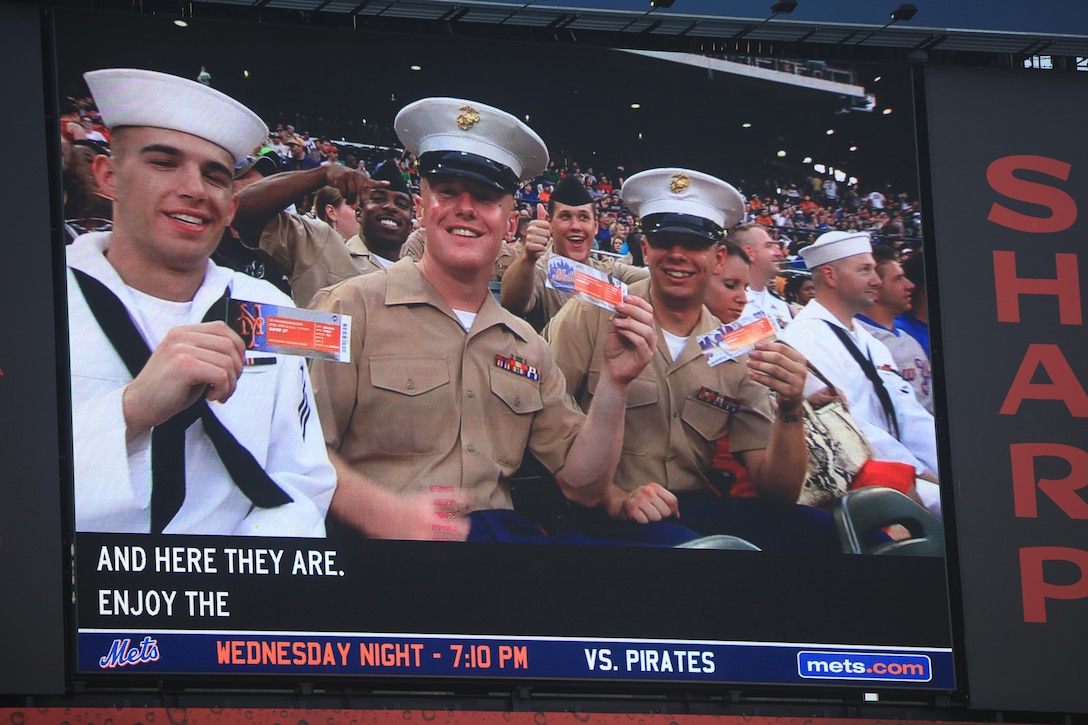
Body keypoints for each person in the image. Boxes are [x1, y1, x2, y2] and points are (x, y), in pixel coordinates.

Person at [307, 97, 670, 543]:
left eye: (485, 197)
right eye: (447, 192)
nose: (465, 208)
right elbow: (301, 451)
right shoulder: (349, 308)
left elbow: (583, 484)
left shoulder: (525, 343)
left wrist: (616, 383)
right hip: (382, 553)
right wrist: (384, 515)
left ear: (510, 221)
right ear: (423, 207)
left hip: (497, 546)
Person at [68, 68, 335, 535]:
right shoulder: (28, 303)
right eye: (164, 163)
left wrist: (232, 584)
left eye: (214, 175)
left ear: (231, 205)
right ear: (107, 175)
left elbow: (302, 480)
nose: (194, 189)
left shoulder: (269, 307)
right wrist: (130, 412)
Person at [547, 168, 838, 552]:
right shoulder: (592, 314)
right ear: (646, 248)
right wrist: (616, 497)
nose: (678, 255)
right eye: (664, 240)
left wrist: (789, 408)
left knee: (823, 531)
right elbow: (546, 424)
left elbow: (777, 493)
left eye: (694, 243)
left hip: (691, 506)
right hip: (598, 508)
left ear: (719, 258)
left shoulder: (736, 346)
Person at [780, 231, 941, 515]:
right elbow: (851, 428)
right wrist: (921, 473)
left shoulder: (869, 341)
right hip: (866, 479)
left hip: (906, 469)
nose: (876, 280)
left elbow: (908, 414)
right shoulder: (803, 340)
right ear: (830, 276)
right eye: (865, 270)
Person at [500, 175, 648, 332]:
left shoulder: (611, 271)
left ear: (595, 226)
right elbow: (512, 304)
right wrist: (528, 257)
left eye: (584, 217)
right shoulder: (540, 270)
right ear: (550, 223)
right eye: (565, 217)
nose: (575, 226)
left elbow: (655, 282)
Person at [232, 161, 389, 306]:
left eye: (403, 204)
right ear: (331, 212)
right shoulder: (321, 243)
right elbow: (242, 211)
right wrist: (322, 174)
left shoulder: (411, 263)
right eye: (357, 205)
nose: (389, 208)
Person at [856, 245, 933, 414]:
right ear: (875, 288)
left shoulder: (905, 336)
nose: (910, 285)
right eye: (898, 279)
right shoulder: (858, 338)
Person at [735, 224, 793, 331]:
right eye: (769, 246)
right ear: (749, 253)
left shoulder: (782, 306)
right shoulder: (730, 304)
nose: (779, 254)